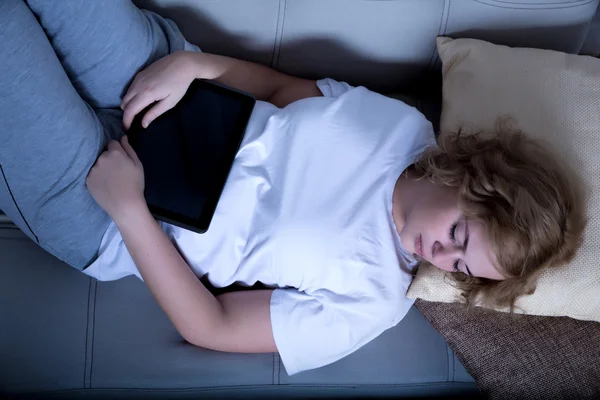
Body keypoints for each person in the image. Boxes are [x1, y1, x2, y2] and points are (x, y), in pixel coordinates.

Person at [0, 0, 584, 375]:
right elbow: (280, 91)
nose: (443, 257)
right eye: (459, 233)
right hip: (168, 89)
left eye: (463, 267)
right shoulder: (404, 127)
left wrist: (129, 212)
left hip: (108, 212)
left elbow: (213, 327)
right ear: (468, 179)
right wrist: (196, 67)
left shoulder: (374, 301)